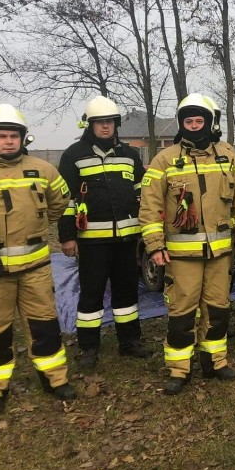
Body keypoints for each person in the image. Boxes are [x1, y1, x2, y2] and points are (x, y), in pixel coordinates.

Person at [0, 104, 76, 415]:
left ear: (23, 138)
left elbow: (61, 201)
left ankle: (55, 379)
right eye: (1, 136)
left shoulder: (43, 170)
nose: (8, 141)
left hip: (35, 267)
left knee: (45, 326)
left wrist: (41, 220)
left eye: (14, 136)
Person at [140, 93, 235, 395]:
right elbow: (149, 205)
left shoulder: (227, 155)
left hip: (220, 253)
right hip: (181, 255)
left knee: (218, 309)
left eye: (199, 120)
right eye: (188, 121)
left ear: (209, 122)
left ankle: (215, 362)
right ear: (181, 124)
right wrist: (154, 246)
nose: (193, 125)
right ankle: (179, 369)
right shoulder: (165, 159)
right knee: (182, 312)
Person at [58, 96, 152, 371]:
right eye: (99, 122)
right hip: (92, 242)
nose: (105, 127)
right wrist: (67, 237)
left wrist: (146, 229)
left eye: (109, 121)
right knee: (91, 294)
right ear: (90, 125)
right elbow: (67, 201)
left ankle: (130, 341)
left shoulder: (130, 154)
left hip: (126, 239)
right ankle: (89, 347)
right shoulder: (73, 155)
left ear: (116, 124)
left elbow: (141, 194)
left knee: (126, 292)